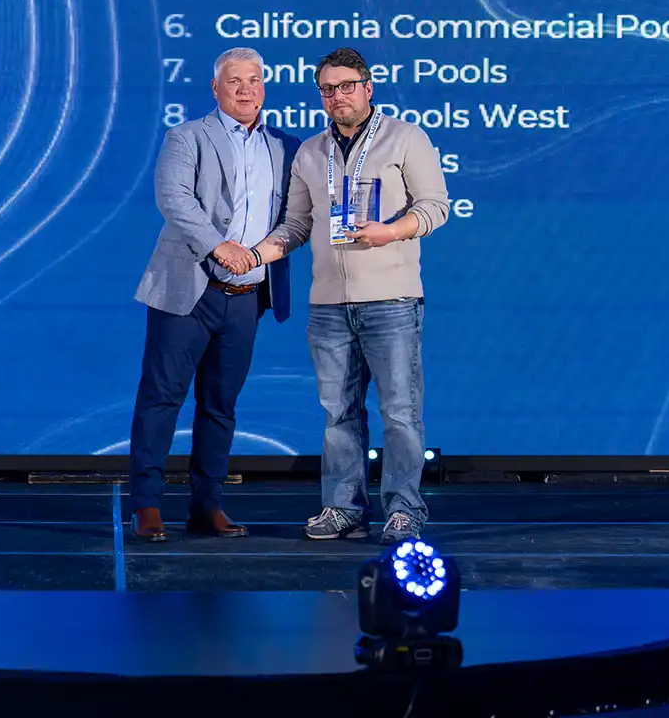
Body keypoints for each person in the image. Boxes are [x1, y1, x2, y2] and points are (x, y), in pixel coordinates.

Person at [251, 47, 449, 544]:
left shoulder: (406, 137)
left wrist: (392, 231)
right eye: (327, 89)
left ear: (367, 87)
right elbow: (297, 224)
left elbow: (435, 206)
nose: (337, 96)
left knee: (400, 413)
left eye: (345, 86)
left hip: (391, 300)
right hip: (328, 305)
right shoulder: (310, 153)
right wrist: (256, 254)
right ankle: (343, 508)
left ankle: (404, 510)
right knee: (338, 414)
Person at [128, 47, 300, 542]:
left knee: (221, 406)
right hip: (187, 288)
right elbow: (174, 199)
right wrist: (219, 246)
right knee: (161, 398)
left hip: (246, 297)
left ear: (264, 86)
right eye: (234, 81)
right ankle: (147, 506)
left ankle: (207, 507)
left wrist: (259, 255)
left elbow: (294, 216)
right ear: (216, 88)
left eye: (254, 80)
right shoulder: (187, 136)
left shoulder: (285, 146)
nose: (246, 89)